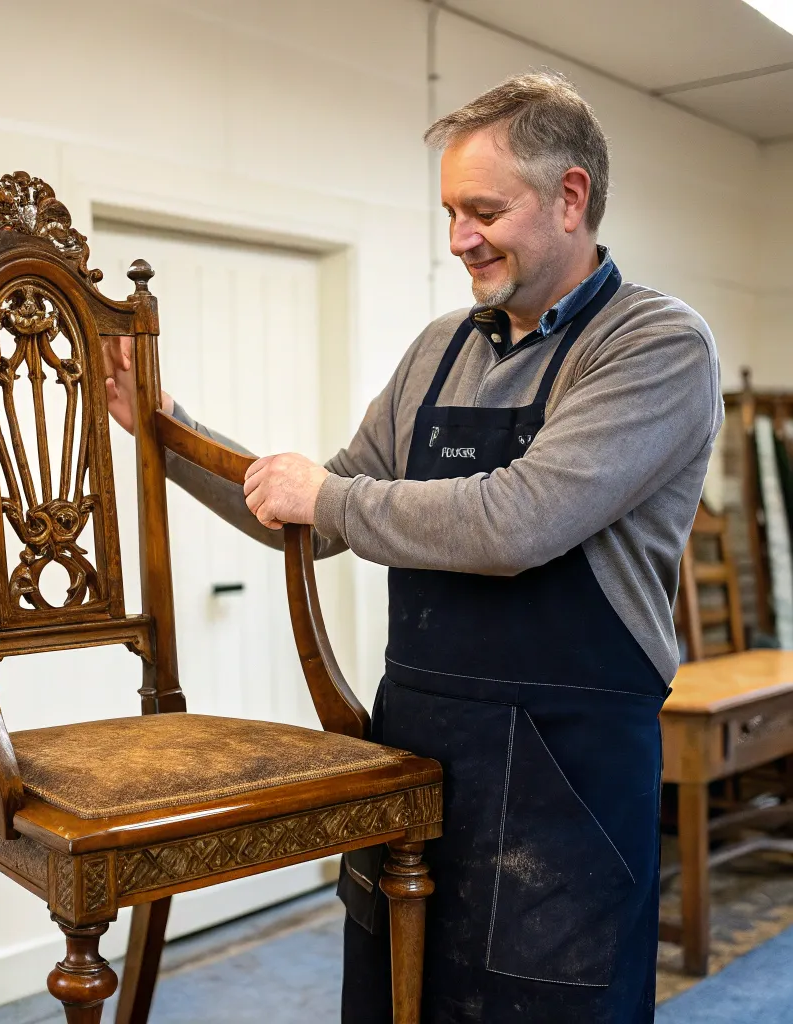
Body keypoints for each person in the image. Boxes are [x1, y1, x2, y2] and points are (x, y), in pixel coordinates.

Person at [104, 71, 722, 1024]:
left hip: (568, 779)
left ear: (571, 197)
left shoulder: (655, 344)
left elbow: (520, 521)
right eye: (450, 213)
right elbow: (315, 524)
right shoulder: (440, 349)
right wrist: (166, 429)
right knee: (393, 1001)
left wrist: (329, 495)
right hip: (416, 758)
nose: (459, 239)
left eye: (485, 211)